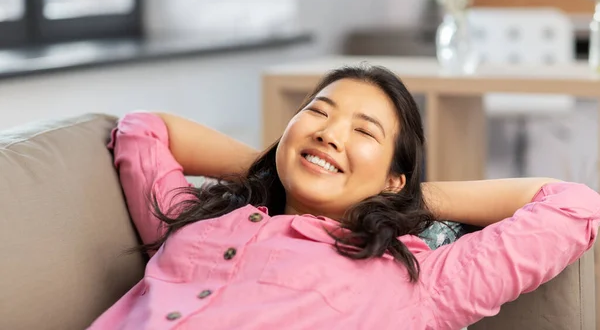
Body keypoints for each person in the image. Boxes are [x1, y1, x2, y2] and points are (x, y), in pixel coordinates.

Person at [88, 64, 600, 330]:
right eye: (318, 112)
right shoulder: (193, 224)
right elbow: (141, 130)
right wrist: (276, 166)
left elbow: (573, 206)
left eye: (364, 132)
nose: (330, 133)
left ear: (393, 176)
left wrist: (408, 198)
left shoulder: (413, 282)